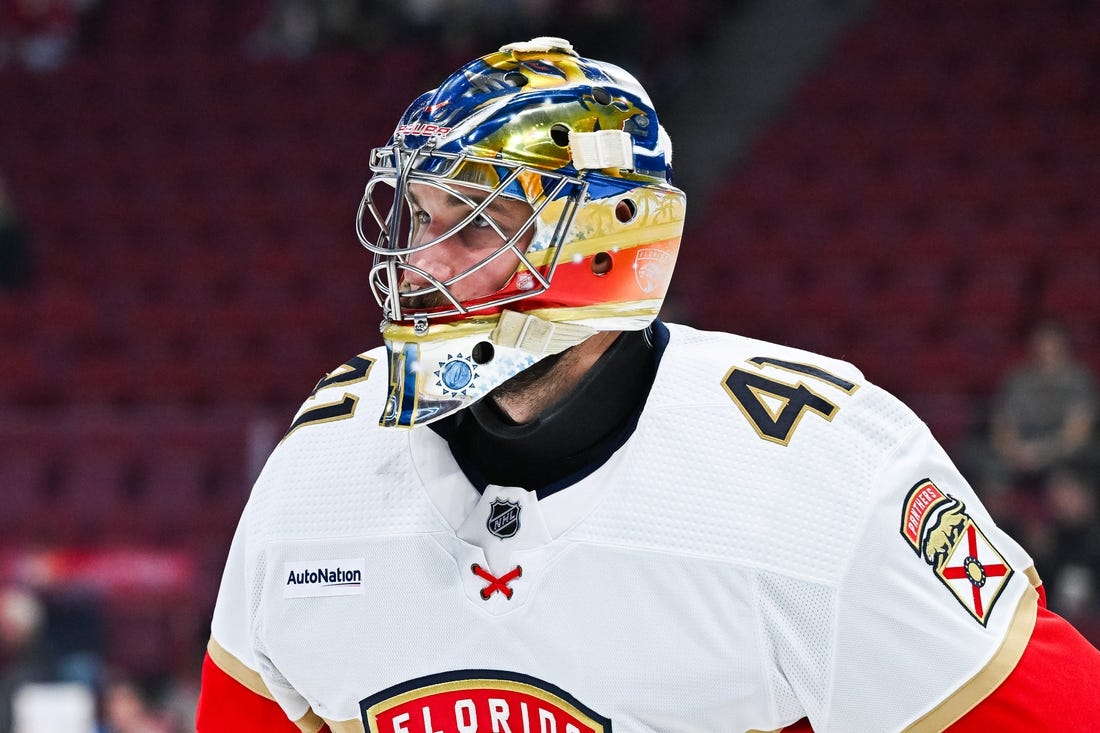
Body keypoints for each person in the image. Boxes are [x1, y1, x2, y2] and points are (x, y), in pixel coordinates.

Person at [197, 37, 1100, 732]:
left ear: (604, 240)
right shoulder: (319, 467)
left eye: (476, 228)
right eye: (420, 216)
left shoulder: (821, 474)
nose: (422, 263)